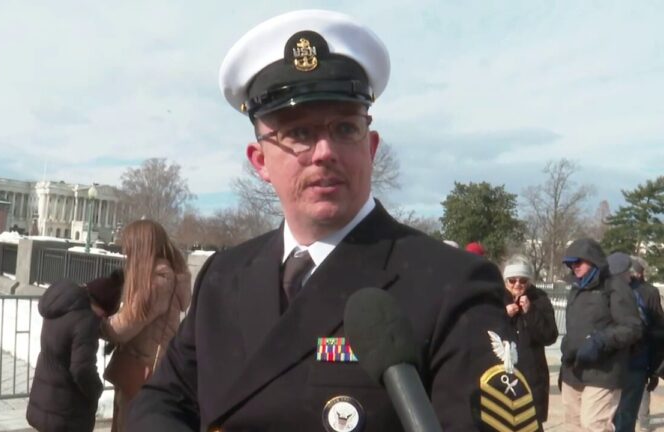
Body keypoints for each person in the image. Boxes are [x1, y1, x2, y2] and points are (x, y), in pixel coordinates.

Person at [127, 10, 540, 432]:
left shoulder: (452, 286)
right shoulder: (223, 277)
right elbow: (159, 403)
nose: (324, 151)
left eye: (345, 128)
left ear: (372, 147)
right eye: (299, 133)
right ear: (260, 162)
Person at [101, 219, 191, 432]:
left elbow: (125, 325)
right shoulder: (168, 276)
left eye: (130, 248)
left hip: (143, 371)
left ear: (142, 248)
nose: (126, 253)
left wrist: (98, 324)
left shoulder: (156, 283)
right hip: (153, 370)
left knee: (131, 424)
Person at [559, 239, 642, 432]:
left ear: (593, 260)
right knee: (572, 424)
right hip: (574, 368)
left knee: (593, 425)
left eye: (578, 262)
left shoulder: (614, 286)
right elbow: (574, 327)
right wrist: (567, 347)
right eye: (570, 263)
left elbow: (632, 327)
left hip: (604, 370)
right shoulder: (576, 288)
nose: (574, 267)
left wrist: (600, 341)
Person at [26, 271, 124, 432]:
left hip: (44, 399)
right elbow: (82, 369)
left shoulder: (61, 306)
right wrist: (96, 389)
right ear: (102, 308)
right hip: (66, 410)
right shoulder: (85, 321)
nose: (103, 321)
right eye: (106, 315)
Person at [609, 254, 664, 432]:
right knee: (626, 414)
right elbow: (658, 332)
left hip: (619, 361)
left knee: (610, 414)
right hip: (635, 362)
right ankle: (644, 421)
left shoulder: (608, 289)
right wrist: (655, 369)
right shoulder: (648, 292)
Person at [501, 258, 558, 423]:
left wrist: (530, 312)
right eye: (512, 280)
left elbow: (550, 336)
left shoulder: (539, 299)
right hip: (503, 371)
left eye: (523, 280)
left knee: (531, 422)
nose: (517, 284)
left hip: (532, 371)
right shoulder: (496, 299)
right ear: (506, 281)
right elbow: (483, 331)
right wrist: (504, 315)